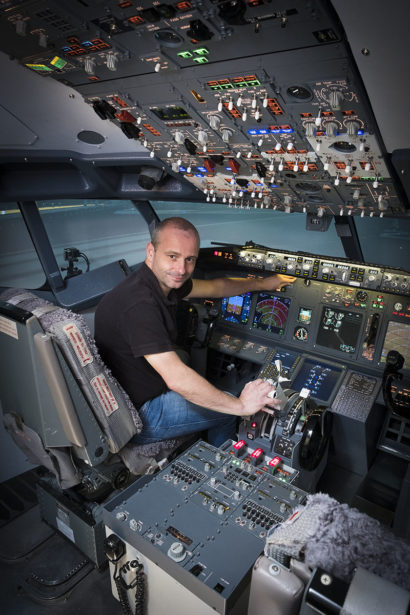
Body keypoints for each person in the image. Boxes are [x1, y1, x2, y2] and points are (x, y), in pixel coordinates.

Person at [95, 217, 296, 447]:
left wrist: (263, 284)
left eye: (189, 259)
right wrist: (241, 406)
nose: (181, 269)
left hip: (128, 394)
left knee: (194, 367)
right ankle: (225, 465)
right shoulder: (140, 304)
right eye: (172, 256)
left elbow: (216, 287)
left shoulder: (160, 283)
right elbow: (177, 378)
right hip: (139, 417)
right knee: (228, 409)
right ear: (151, 251)